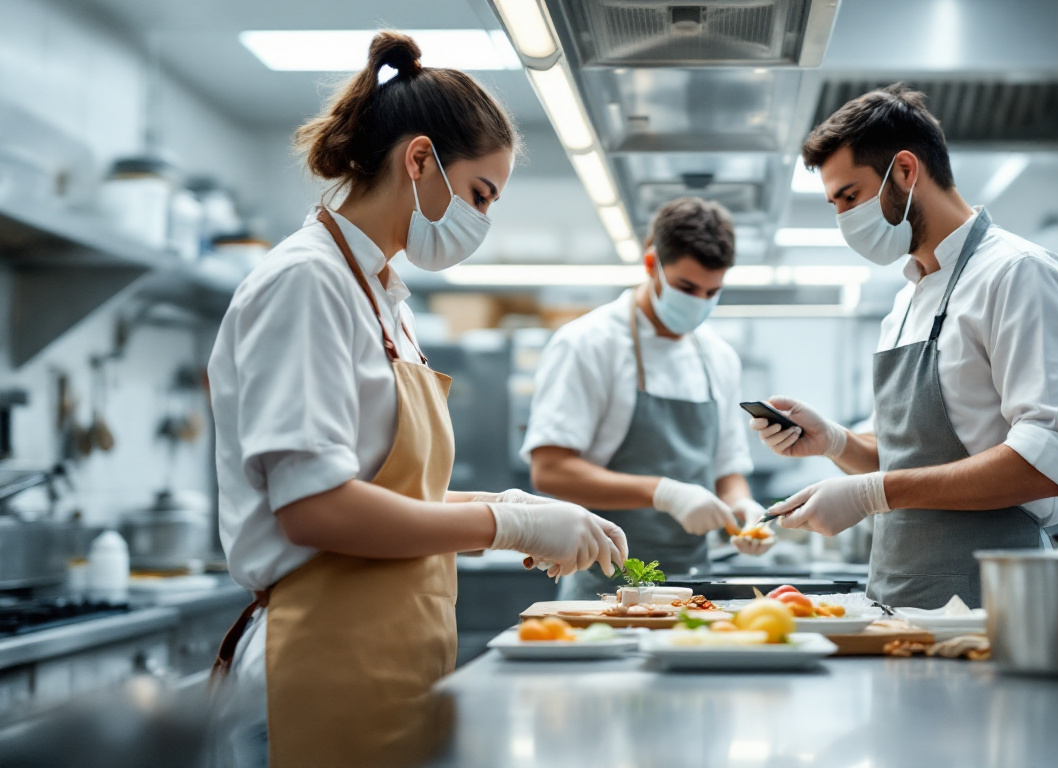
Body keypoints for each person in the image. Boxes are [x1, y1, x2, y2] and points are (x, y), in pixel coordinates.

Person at [207, 32, 626, 768]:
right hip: (318, 659)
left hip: (386, 656)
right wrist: (500, 526)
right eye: (480, 195)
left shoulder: (385, 296)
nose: (482, 222)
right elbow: (315, 507)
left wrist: (514, 508)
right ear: (421, 159)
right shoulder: (307, 283)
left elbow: (386, 486)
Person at [751, 84, 1058, 609]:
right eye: (835, 204)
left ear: (906, 172)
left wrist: (874, 493)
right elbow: (907, 459)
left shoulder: (1018, 275)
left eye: (850, 196)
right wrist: (835, 442)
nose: (844, 218)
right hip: (900, 601)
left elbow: (1048, 461)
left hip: (993, 605)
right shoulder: (905, 302)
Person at [523, 197, 771, 600]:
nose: (700, 303)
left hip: (694, 588)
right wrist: (665, 492)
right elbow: (550, 470)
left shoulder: (719, 357)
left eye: (713, 292)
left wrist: (744, 509)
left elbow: (728, 471)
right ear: (652, 264)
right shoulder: (588, 344)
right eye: (687, 287)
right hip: (603, 587)